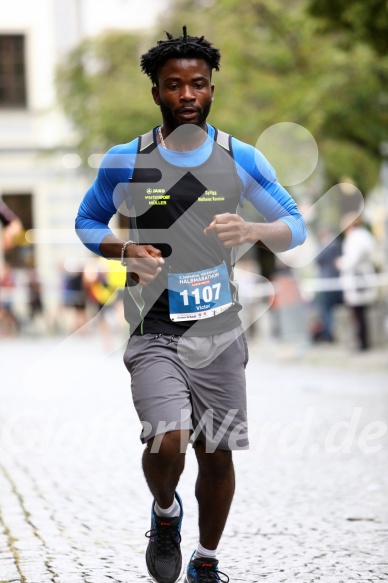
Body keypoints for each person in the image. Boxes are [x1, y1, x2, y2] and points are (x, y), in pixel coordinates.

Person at [75, 27, 306, 583]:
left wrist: (251, 226)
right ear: (155, 91)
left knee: (217, 454)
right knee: (167, 435)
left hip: (220, 331)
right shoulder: (124, 160)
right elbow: (86, 222)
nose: (186, 95)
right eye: (173, 85)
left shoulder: (240, 158)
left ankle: (206, 559)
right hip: (153, 328)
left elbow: (294, 227)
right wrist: (124, 247)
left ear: (210, 90)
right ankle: (165, 512)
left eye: (197, 85)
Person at [336, 213, 378, 351]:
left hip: (357, 278)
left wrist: (341, 263)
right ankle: (363, 341)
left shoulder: (355, 237)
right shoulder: (365, 235)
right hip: (363, 276)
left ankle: (362, 342)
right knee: (361, 312)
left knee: (357, 312)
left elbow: (352, 259)